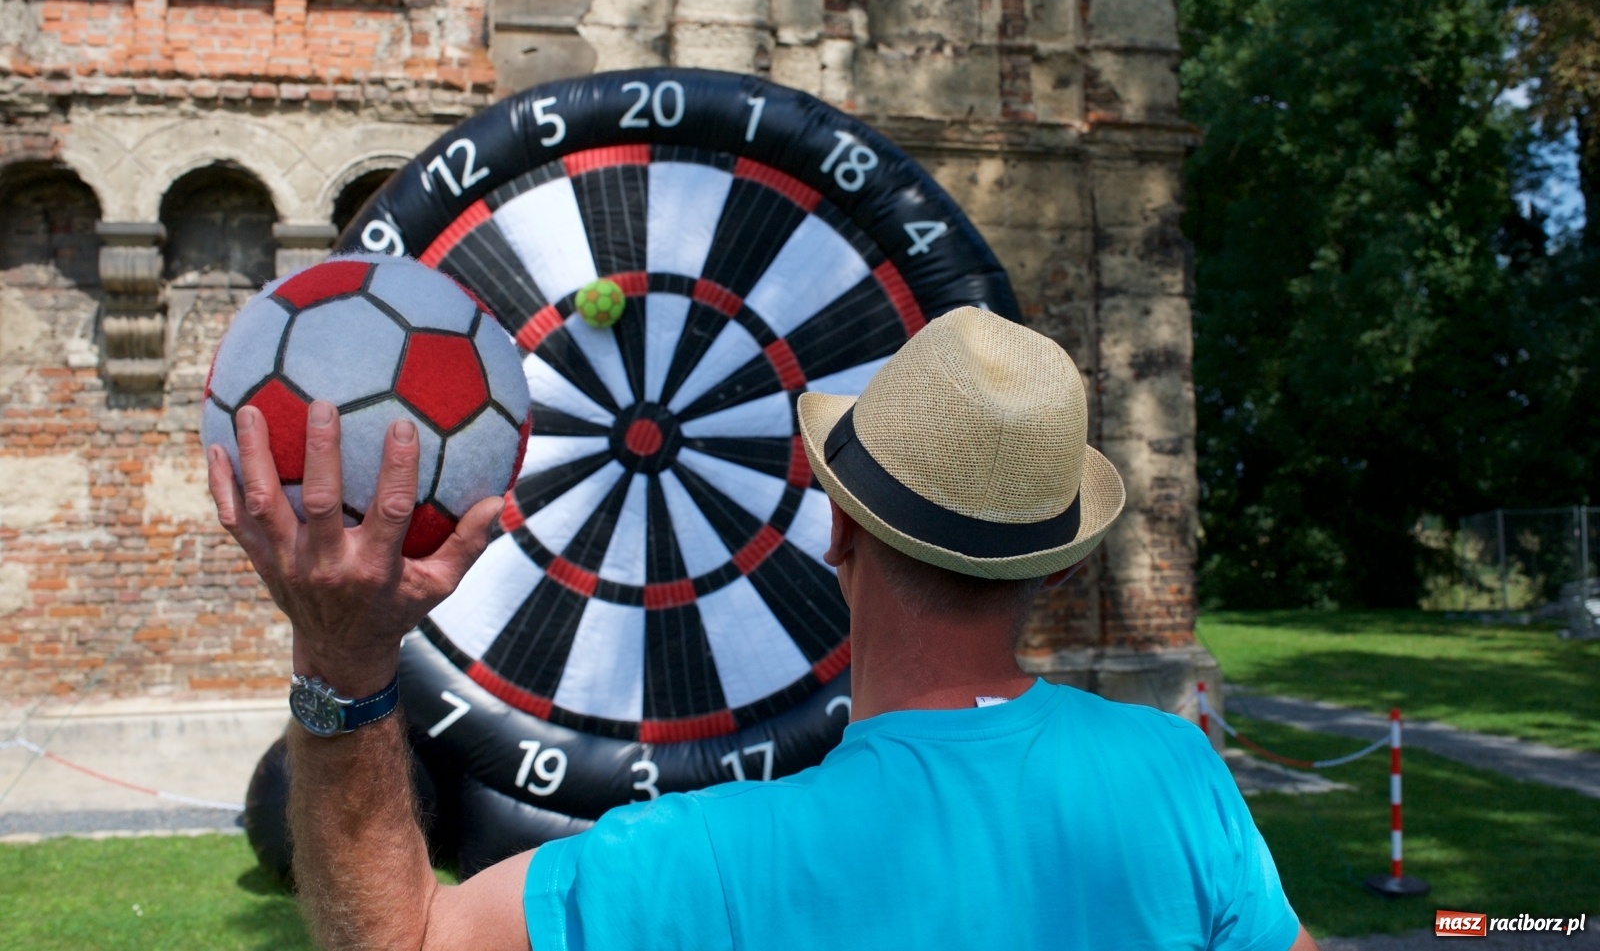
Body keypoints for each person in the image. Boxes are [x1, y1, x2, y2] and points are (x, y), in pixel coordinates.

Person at [207, 306, 1317, 951]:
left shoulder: (699, 867)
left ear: (838, 529)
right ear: (1058, 559)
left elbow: (396, 940)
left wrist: (340, 659)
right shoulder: (1174, 776)